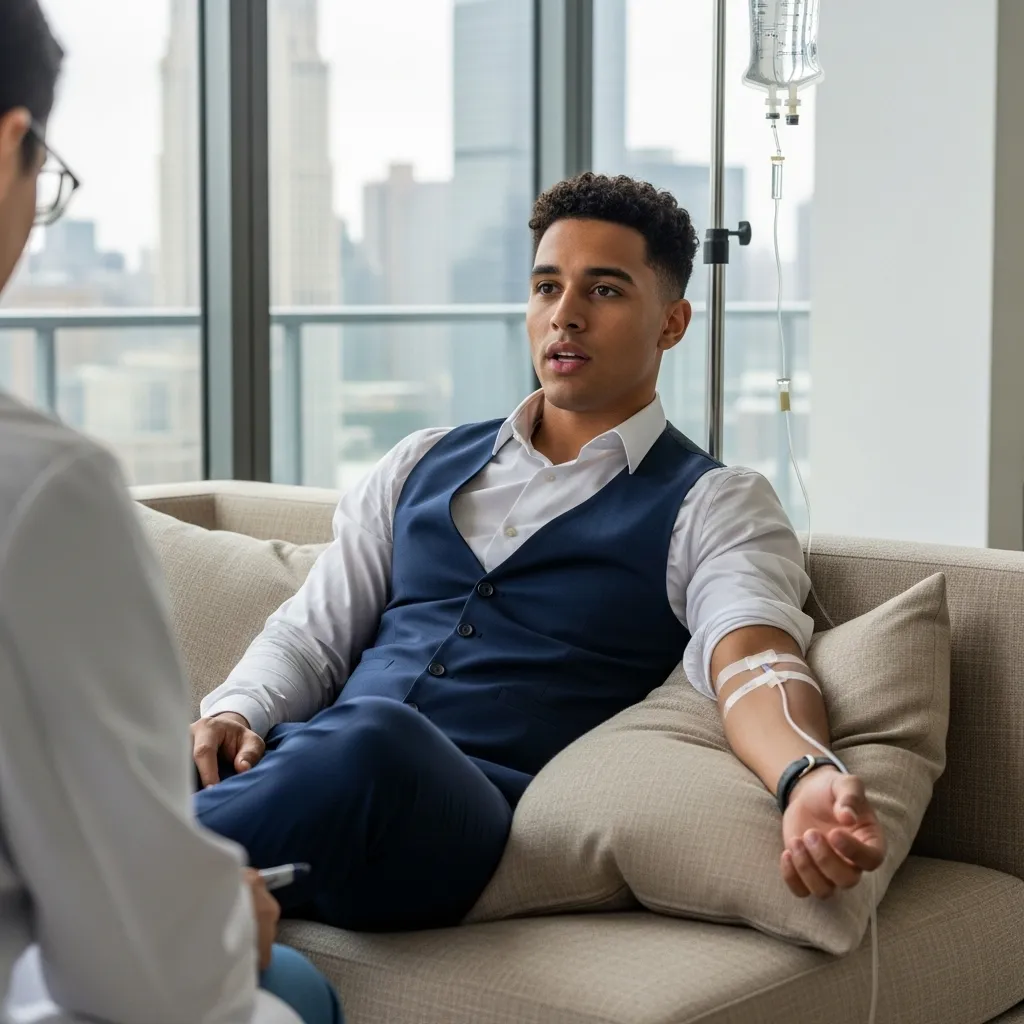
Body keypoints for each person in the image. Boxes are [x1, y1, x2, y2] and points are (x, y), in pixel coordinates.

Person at [193, 170, 887, 926]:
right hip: (306, 774)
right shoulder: (416, 461)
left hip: (452, 826)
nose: (566, 316)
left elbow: (754, 661)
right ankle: (141, 885)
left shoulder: (714, 501)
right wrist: (238, 712)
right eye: (546, 287)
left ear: (673, 322)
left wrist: (806, 774)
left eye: (606, 290)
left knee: (376, 738)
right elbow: (310, 636)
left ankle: (106, 877)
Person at [0, 2, 341, 1022]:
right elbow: (152, 980)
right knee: (280, 995)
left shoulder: (704, 500)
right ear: (10, 146)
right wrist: (214, 917)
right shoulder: (41, 490)